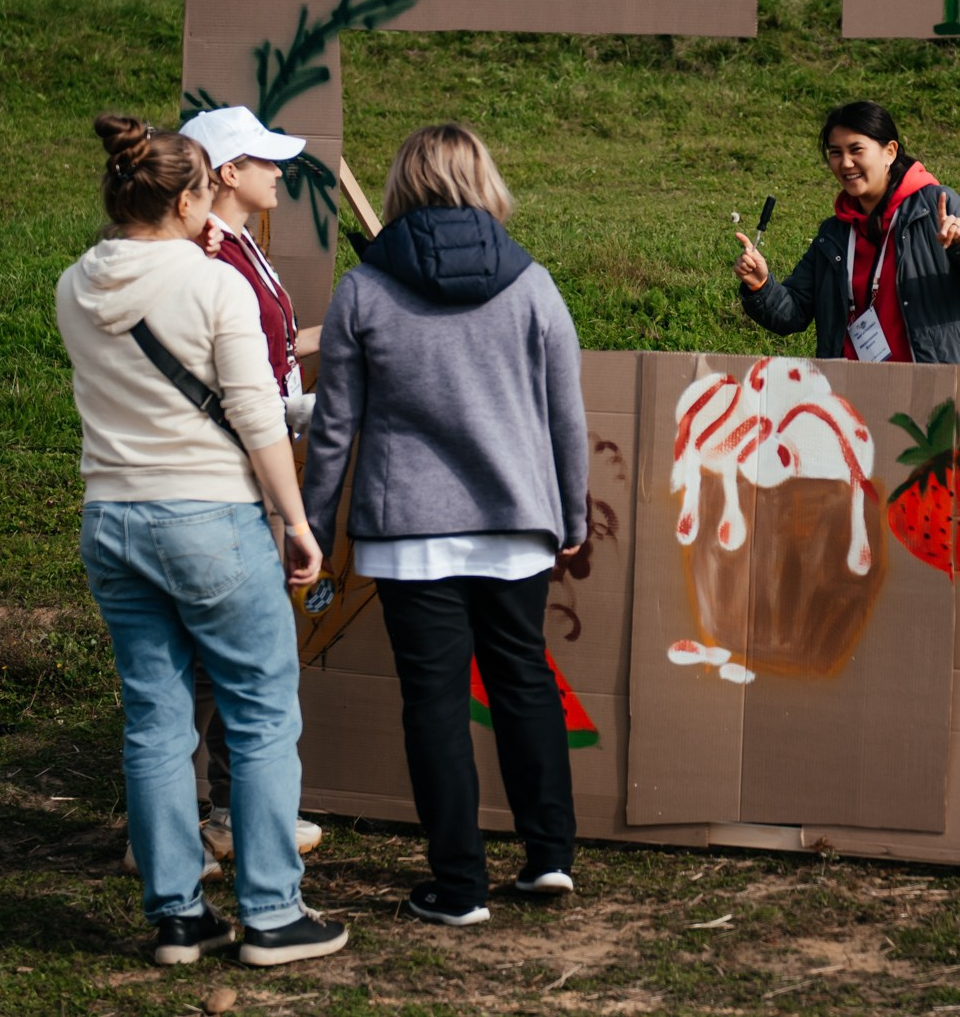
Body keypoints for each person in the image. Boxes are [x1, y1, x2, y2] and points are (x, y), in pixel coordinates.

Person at [56, 114, 347, 968]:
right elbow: (257, 418)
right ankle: (270, 913)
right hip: (209, 518)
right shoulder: (214, 286)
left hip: (111, 518)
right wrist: (296, 523)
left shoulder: (76, 283)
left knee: (154, 717)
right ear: (190, 198)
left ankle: (177, 918)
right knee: (260, 711)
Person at [301, 123, 587, 928]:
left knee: (434, 702)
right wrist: (569, 512)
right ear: (484, 180)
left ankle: (458, 887)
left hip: (408, 533)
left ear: (401, 185)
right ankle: (549, 858)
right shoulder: (532, 284)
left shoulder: (365, 290)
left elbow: (334, 428)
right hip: (514, 522)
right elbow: (566, 411)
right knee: (523, 682)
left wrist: (314, 528)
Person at [157, 104, 330, 874]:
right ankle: (197, 820)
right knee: (218, 655)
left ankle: (230, 813)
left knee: (239, 650)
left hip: (258, 458)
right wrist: (307, 410)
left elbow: (277, 346)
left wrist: (353, 334)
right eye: (264, 161)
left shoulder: (242, 247)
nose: (278, 171)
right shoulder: (204, 257)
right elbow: (235, 382)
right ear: (226, 173)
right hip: (232, 470)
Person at [734, 100, 960, 364]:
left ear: (890, 152)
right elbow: (792, 315)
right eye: (835, 153)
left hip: (938, 386)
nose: (845, 163)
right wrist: (761, 285)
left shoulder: (936, 205)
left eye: (856, 150)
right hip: (857, 394)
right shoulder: (833, 234)